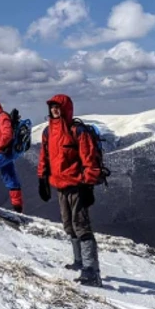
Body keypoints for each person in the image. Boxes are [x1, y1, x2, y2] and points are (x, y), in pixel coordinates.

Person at [38, 94, 104, 287]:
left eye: (58, 107)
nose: (54, 110)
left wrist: (87, 185)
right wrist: (42, 178)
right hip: (60, 186)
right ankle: (79, 262)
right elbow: (45, 156)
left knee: (81, 225)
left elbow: (89, 159)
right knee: (69, 225)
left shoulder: (77, 131)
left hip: (77, 185)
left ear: (65, 108)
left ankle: (92, 271)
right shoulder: (48, 132)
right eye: (52, 107)